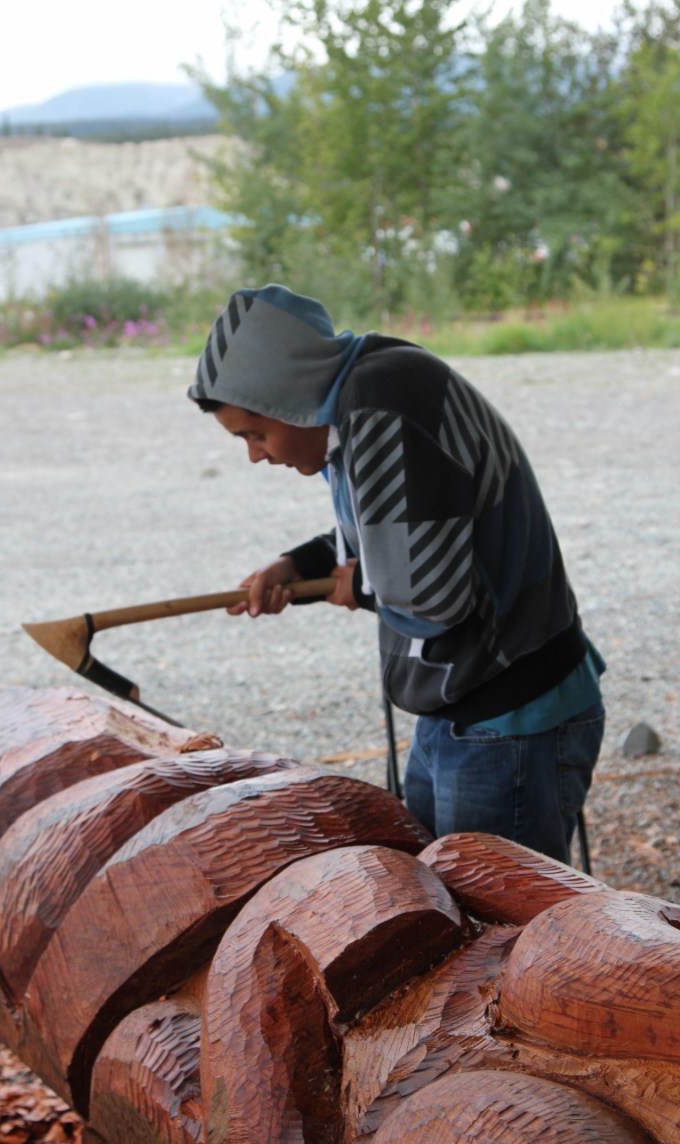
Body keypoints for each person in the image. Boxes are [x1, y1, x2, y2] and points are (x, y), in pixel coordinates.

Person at [188, 283, 605, 864]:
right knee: (444, 902)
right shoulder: (363, 388)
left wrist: (357, 586)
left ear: (292, 400)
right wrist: (299, 566)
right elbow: (389, 530)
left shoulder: (384, 402)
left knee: (497, 932)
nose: (256, 455)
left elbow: (430, 597)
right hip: (462, 707)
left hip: (509, 719)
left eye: (255, 433)